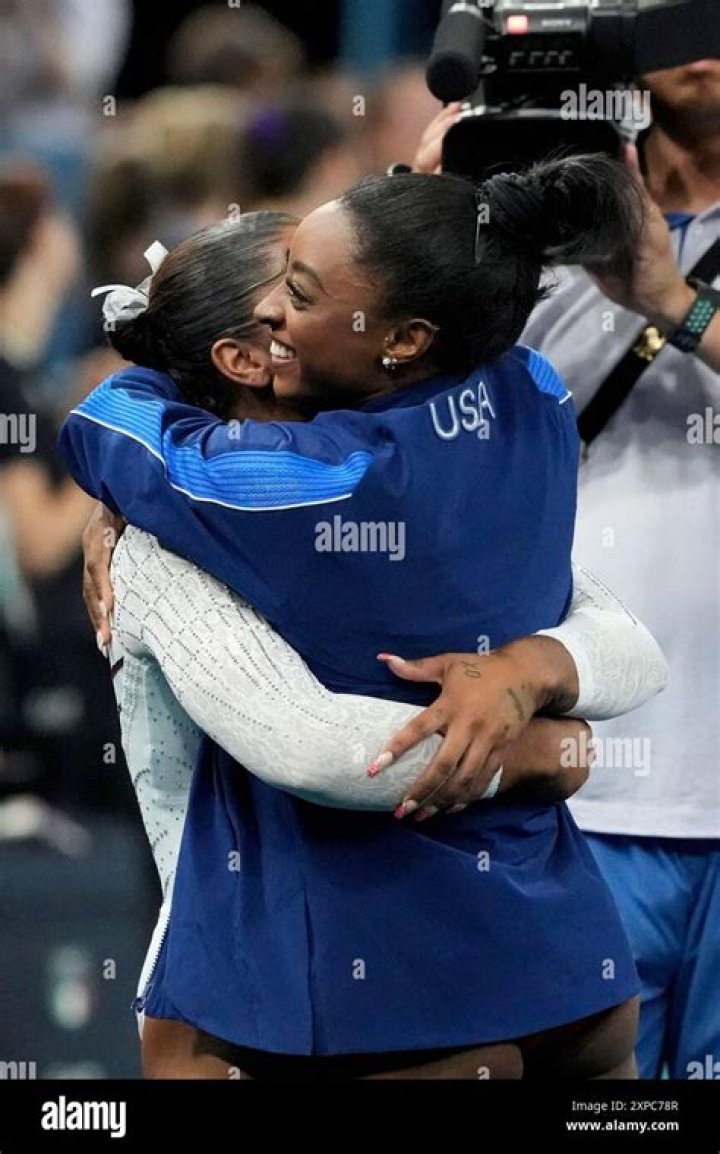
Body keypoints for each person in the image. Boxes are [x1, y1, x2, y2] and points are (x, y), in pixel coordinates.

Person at [60, 157, 653, 1079]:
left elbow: (106, 429)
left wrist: (127, 463)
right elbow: (625, 644)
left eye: (301, 293)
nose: (278, 311)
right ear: (239, 360)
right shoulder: (532, 391)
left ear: (404, 337)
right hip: (572, 965)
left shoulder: (306, 484)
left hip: (371, 991)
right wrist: (549, 733)